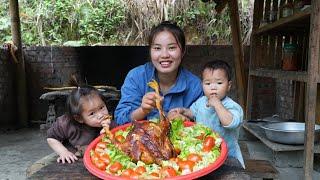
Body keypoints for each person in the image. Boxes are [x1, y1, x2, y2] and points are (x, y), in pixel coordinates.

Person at [114, 21, 203, 125]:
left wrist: (184, 120)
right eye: (157, 48)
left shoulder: (195, 86)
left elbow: (204, 123)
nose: (164, 55)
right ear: (150, 51)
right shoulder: (136, 77)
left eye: (172, 48)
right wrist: (143, 110)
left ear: (182, 51)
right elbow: (120, 119)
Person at [168, 60, 245, 168]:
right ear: (202, 85)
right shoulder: (201, 101)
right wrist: (183, 111)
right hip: (205, 154)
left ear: (228, 85)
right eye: (208, 83)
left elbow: (230, 122)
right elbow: (192, 113)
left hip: (228, 157)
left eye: (219, 83)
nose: (213, 87)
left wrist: (218, 105)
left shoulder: (232, 106)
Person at [47, 85, 111, 164]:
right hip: (74, 160)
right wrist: (63, 152)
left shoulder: (109, 123)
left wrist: (107, 134)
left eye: (101, 107)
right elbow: (51, 138)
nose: (101, 115)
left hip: (98, 161)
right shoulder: (66, 124)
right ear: (79, 118)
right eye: (92, 113)